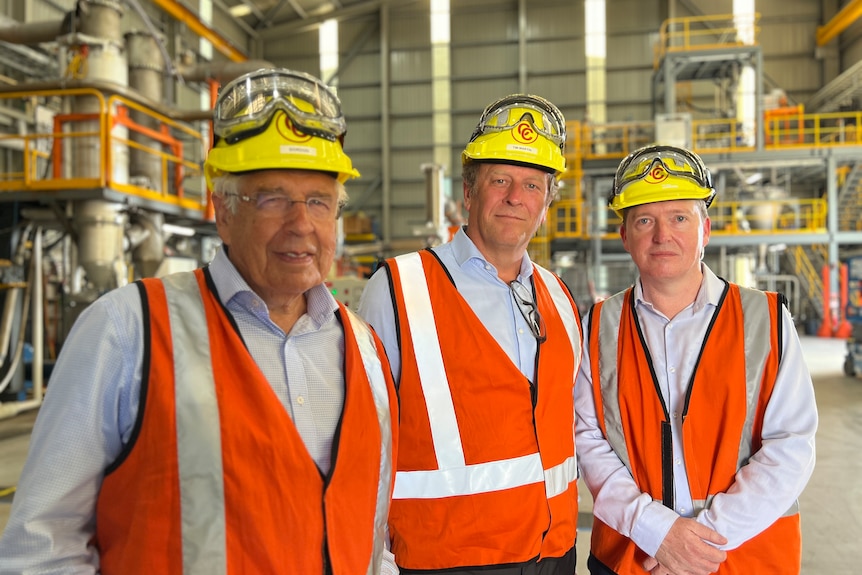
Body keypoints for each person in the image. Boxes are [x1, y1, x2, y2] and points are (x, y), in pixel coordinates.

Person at [0, 68, 399, 574]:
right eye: (273, 198)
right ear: (224, 211)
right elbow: (40, 548)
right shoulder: (127, 333)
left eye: (318, 201)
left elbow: (372, 540)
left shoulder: (367, 352)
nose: (301, 224)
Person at [358, 94, 582, 574]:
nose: (514, 197)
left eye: (532, 185)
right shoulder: (398, 289)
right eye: (499, 180)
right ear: (468, 191)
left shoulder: (559, 298)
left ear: (546, 203)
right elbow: (364, 441)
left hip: (554, 553)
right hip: (447, 559)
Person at [575, 144, 818, 575]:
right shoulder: (596, 326)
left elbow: (791, 444)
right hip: (634, 561)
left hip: (743, 561)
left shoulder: (766, 319)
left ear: (705, 229)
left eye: (679, 218)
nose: (662, 236)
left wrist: (700, 543)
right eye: (645, 220)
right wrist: (657, 532)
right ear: (625, 236)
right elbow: (587, 440)